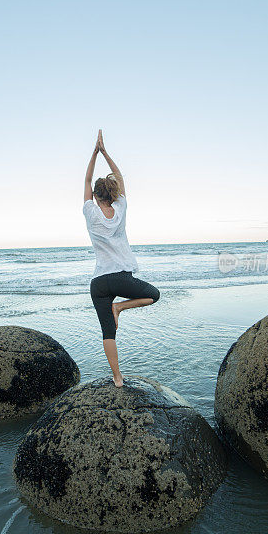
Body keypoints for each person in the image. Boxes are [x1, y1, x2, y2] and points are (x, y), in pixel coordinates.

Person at [83, 130, 160, 387]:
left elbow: (86, 180)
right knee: (154, 294)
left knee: (108, 332)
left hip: (99, 283)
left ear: (95, 195)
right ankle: (120, 307)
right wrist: (105, 152)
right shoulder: (120, 208)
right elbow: (118, 177)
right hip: (119, 278)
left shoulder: (90, 213)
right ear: (113, 194)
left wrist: (93, 154)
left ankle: (117, 377)